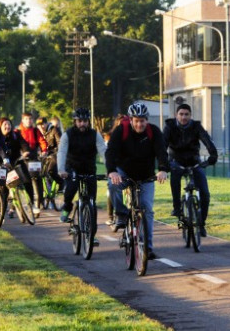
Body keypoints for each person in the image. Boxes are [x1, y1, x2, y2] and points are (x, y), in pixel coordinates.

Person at [106, 103, 169, 260]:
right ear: (131, 120)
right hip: (124, 172)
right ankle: (121, 214)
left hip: (145, 176)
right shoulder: (122, 130)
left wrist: (162, 169)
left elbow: (162, 152)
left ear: (146, 120)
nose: (139, 124)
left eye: (142, 121)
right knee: (112, 185)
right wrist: (112, 171)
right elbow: (111, 152)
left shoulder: (153, 131)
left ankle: (148, 248)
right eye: (136, 121)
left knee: (147, 209)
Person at [163, 103, 218, 237]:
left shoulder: (196, 126)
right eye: (181, 114)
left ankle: (202, 223)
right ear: (176, 115)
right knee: (175, 180)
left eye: (186, 114)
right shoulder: (170, 127)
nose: (184, 117)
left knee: (204, 193)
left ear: (190, 115)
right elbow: (162, 146)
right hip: (176, 161)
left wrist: (213, 155)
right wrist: (163, 164)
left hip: (194, 162)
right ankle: (177, 208)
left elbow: (207, 141)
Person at [57, 108, 107, 226]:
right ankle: (67, 207)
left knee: (92, 201)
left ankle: (91, 234)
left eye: (85, 121)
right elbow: (62, 152)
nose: (82, 123)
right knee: (71, 188)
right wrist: (61, 169)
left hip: (89, 168)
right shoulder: (67, 135)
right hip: (72, 168)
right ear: (75, 121)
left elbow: (104, 152)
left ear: (88, 121)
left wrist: (110, 170)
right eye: (79, 121)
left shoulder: (95, 135)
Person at [16, 112, 48, 216]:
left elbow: (42, 141)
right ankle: (14, 205)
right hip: (22, 158)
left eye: (30, 119)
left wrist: (44, 150)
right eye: (26, 119)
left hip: (34, 157)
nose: (28, 121)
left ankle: (38, 204)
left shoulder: (35, 131)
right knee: (21, 182)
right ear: (22, 120)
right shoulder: (17, 131)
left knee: (38, 180)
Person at [0, 117, 28, 219]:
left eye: (9, 124)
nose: (7, 126)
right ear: (0, 127)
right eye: (5, 124)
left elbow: (23, 144)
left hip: (13, 164)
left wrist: (25, 150)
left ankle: (14, 208)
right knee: (3, 190)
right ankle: (1, 211)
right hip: (0, 166)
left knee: (18, 184)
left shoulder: (15, 136)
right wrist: (3, 161)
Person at [42, 116, 64, 196]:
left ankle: (61, 182)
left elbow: (60, 143)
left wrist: (56, 152)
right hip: (46, 154)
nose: (56, 126)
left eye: (57, 125)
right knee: (41, 172)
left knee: (50, 170)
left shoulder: (55, 130)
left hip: (55, 153)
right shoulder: (43, 131)